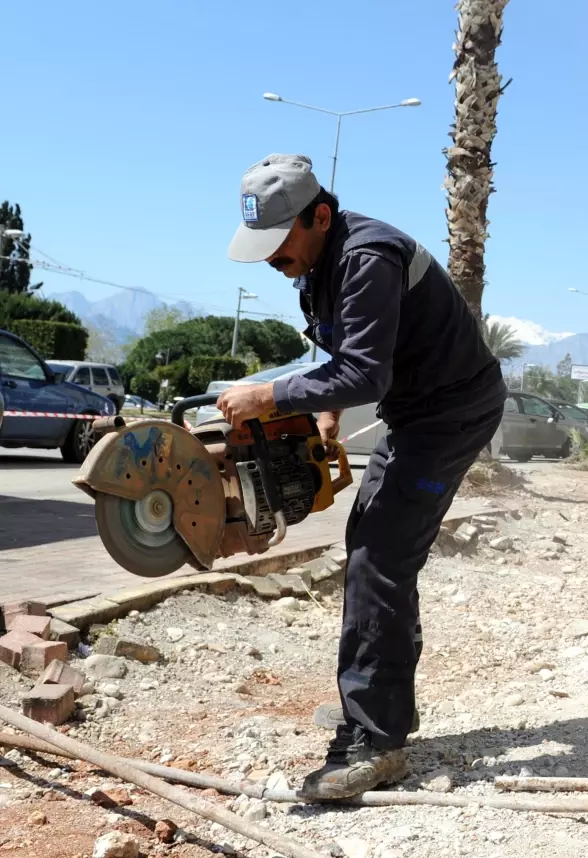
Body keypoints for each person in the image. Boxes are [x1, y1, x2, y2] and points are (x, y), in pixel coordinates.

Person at [220, 154, 505, 798]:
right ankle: (384, 706)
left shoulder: (366, 257)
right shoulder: (318, 263)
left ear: (320, 215)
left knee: (380, 554)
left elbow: (368, 374)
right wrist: (325, 410)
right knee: (372, 545)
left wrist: (268, 396)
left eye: (279, 241)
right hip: (416, 413)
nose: (271, 258)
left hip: (452, 412)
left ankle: (376, 740)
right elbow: (351, 354)